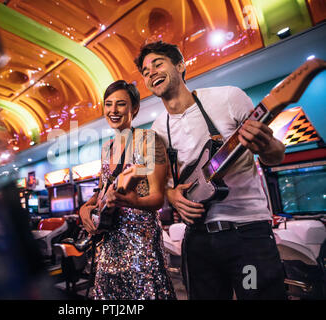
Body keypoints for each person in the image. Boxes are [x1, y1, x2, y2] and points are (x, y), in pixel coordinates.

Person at [134, 41, 287, 300]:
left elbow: (276, 156)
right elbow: (157, 186)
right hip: (198, 240)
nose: (151, 73)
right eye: (145, 72)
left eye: (158, 64)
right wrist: (172, 196)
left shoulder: (228, 97)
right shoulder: (157, 129)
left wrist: (265, 143)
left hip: (247, 235)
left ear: (180, 66)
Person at [79, 80, 176, 300]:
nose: (113, 110)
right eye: (108, 104)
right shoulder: (107, 148)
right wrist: (86, 207)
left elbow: (157, 199)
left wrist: (132, 202)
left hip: (141, 245)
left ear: (135, 108)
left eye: (120, 104)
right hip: (109, 244)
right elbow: (103, 189)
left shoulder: (148, 140)